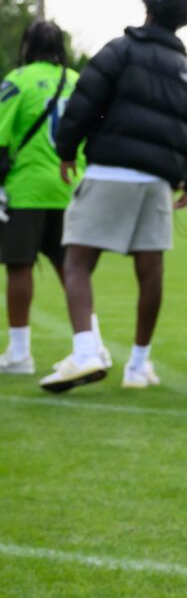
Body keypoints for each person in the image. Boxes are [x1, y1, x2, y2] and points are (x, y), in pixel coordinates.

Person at [41, 0, 187, 392]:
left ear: (148, 13)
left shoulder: (119, 51)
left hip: (108, 172)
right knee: (150, 272)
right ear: (183, 23)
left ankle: (86, 352)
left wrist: (67, 148)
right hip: (157, 183)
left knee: (78, 262)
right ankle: (138, 366)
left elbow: (85, 101)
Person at [0, 21, 85, 375]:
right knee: (73, 268)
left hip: (27, 188)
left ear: (28, 45)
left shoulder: (17, 80)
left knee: (19, 265)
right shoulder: (79, 81)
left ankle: (20, 352)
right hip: (71, 187)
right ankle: (89, 345)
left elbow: (1, 137)